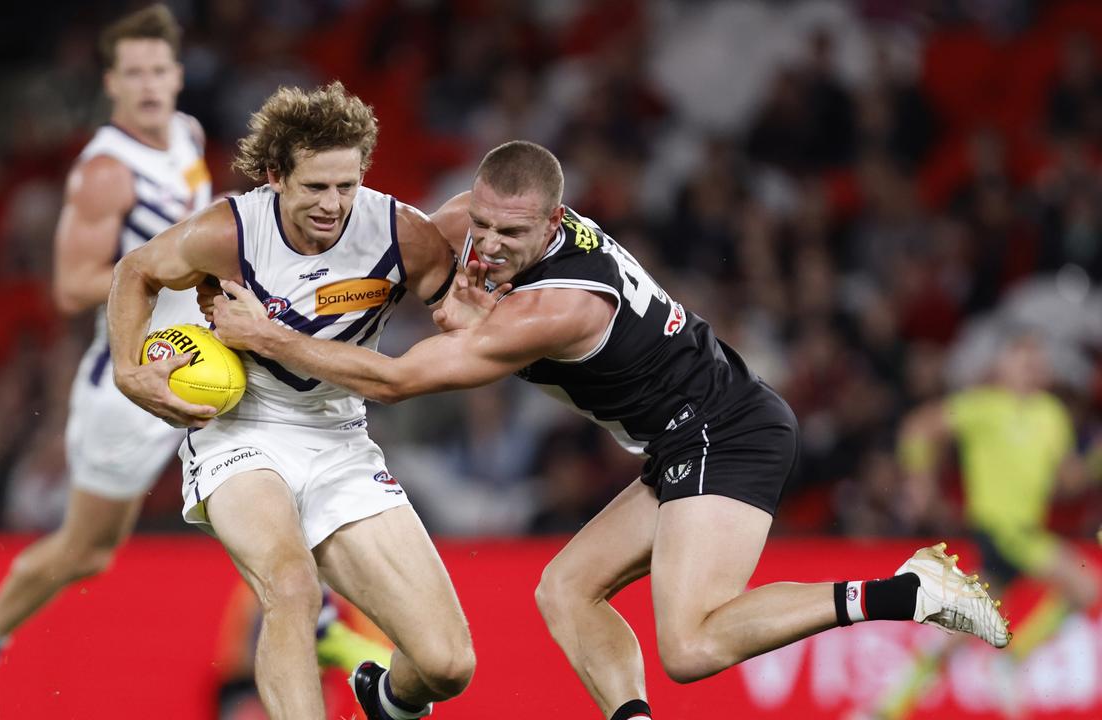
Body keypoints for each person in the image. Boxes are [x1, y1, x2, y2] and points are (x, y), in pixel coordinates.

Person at [208, 140, 1012, 720]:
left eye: (510, 237)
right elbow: (425, 258)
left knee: (690, 647)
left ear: (554, 222)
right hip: (680, 437)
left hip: (725, 430)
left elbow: (397, 379)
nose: (487, 245)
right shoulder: (485, 218)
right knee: (564, 590)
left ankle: (907, 591)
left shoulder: (559, 304)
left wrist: (273, 337)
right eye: (481, 225)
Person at [0, 9, 382, 720]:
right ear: (111, 82)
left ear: (178, 73)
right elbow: (74, 285)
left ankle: (314, 623)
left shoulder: (188, 137)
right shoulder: (106, 172)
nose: (149, 85)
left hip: (206, 356)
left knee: (275, 468)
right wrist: (171, 262)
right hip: (133, 378)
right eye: (133, 72)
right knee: (85, 549)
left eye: (160, 70)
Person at [107, 81, 475, 719]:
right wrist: (126, 370)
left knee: (446, 665)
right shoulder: (230, 232)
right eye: (315, 187)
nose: (334, 204)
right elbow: (134, 271)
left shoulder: (402, 236)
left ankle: (382, 700)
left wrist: (474, 308)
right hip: (242, 428)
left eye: (347, 185)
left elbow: (463, 327)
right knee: (291, 588)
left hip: (340, 437)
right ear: (275, 175)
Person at [869, 332, 1101, 719]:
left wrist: (1095, 460)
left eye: (1036, 360)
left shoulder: (1051, 414)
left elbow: (1067, 483)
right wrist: (919, 481)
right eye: (1020, 358)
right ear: (1001, 366)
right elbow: (918, 427)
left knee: (961, 629)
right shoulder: (983, 406)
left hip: (1025, 531)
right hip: (1000, 531)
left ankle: (886, 708)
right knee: (1086, 586)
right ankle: (1013, 661)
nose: (1030, 367)